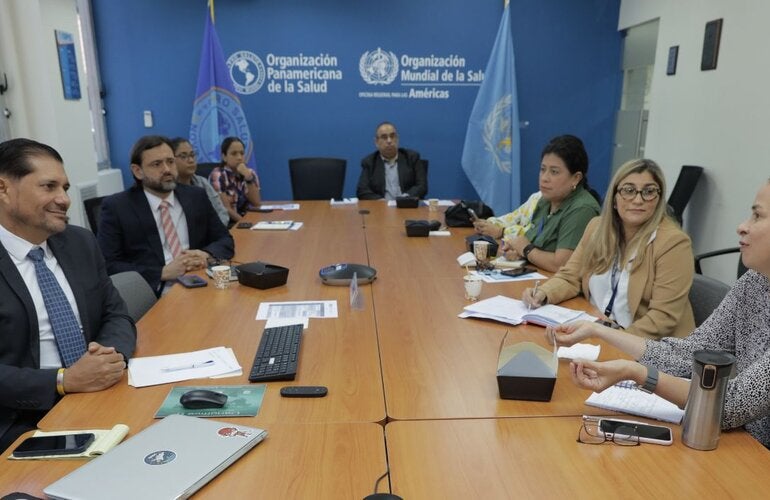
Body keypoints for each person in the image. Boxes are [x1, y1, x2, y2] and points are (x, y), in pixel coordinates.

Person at [551, 179, 770, 448]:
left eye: (757, 216)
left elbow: (729, 406)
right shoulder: (755, 282)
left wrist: (636, 373)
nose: (742, 226)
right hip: (746, 443)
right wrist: (599, 330)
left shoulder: (674, 242)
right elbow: (688, 354)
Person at [0, 138, 136, 452]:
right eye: (48, 187)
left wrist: (107, 360)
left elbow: (116, 313)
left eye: (65, 188)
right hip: (20, 419)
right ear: (3, 189)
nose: (64, 199)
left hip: (100, 393)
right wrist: (63, 380)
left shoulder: (80, 242)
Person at [522, 159, 694, 339]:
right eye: (628, 190)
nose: (638, 200)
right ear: (614, 199)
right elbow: (570, 276)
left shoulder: (674, 243)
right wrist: (543, 293)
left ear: (658, 200)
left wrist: (611, 339)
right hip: (597, 329)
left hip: (645, 344)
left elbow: (662, 319)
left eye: (649, 192)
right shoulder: (596, 228)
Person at [98, 135, 234, 296]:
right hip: (154, 293)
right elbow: (109, 265)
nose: (167, 169)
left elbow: (225, 240)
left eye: (170, 161)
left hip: (200, 281)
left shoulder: (196, 196)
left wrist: (206, 254)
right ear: (138, 171)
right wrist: (162, 272)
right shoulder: (117, 207)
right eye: (157, 164)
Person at [500, 135, 601, 272]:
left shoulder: (582, 209)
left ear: (576, 178)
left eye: (554, 172)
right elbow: (532, 246)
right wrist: (517, 250)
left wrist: (526, 250)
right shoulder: (545, 201)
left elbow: (561, 265)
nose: (544, 178)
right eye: (542, 169)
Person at [356, 122, 428, 200]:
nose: (389, 141)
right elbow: (362, 190)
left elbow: (422, 186)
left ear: (397, 139)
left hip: (407, 205)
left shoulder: (412, 157)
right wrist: (381, 202)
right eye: (384, 137)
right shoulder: (369, 162)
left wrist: (405, 198)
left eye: (392, 136)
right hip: (382, 206)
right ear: (376, 142)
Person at [170, 137, 230, 226]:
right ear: (171, 160)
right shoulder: (168, 188)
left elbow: (221, 213)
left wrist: (215, 230)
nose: (191, 160)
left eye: (192, 155)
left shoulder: (202, 182)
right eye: (183, 156)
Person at [208, 137, 261, 223]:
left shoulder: (250, 173)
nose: (239, 157)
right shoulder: (218, 175)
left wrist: (248, 178)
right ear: (224, 157)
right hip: (227, 223)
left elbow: (256, 203)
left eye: (242, 153)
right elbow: (226, 208)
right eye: (234, 154)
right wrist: (245, 223)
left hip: (247, 220)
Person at [473, 191, 542, 247]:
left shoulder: (547, 204)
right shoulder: (536, 197)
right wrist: (488, 224)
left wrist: (501, 232)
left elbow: (533, 233)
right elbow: (512, 218)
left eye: (553, 173)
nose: (544, 180)